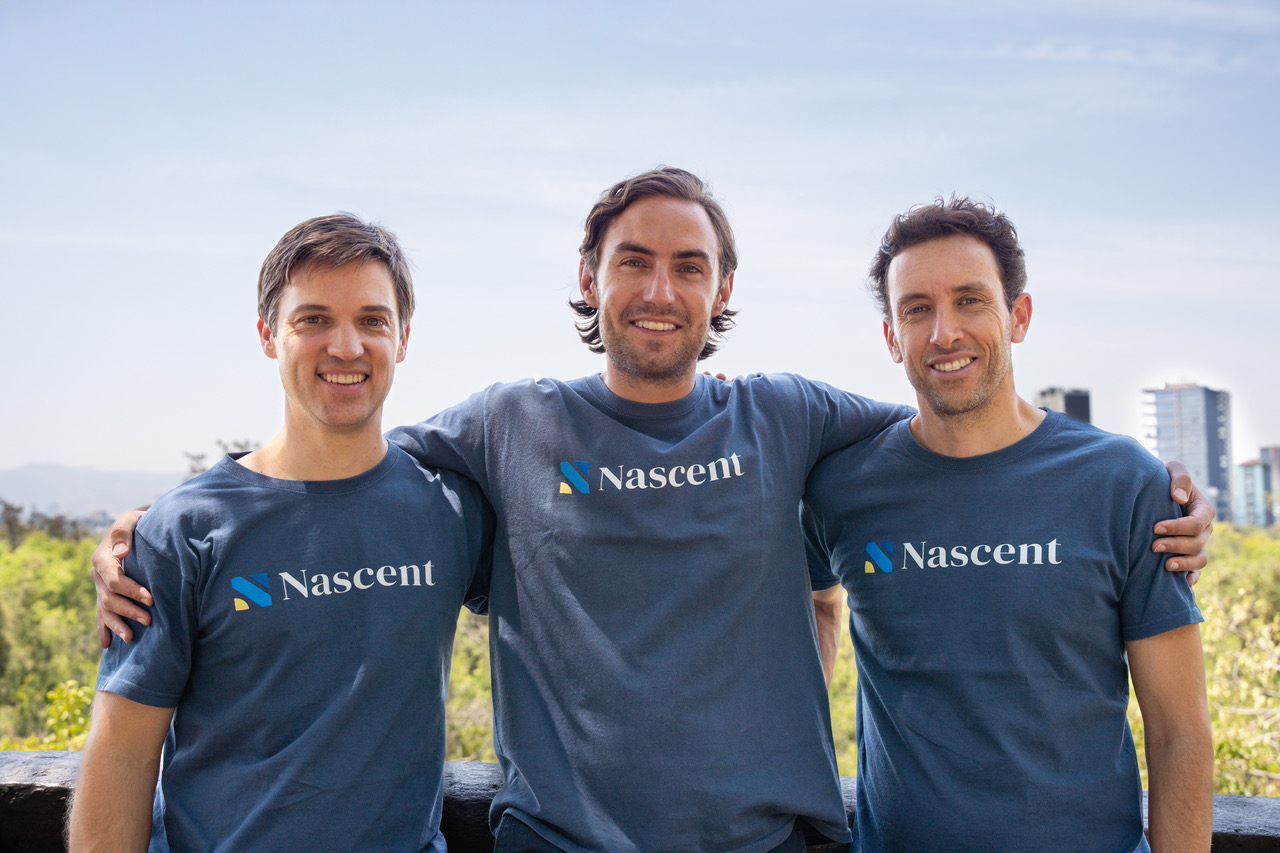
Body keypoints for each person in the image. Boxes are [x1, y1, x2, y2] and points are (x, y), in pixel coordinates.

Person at [92, 170, 1214, 853]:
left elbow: (963, 426)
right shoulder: (506, 425)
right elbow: (331, 456)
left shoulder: (791, 416)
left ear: (724, 290)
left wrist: (1145, 490)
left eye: (689, 264)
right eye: (632, 261)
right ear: (590, 278)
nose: (660, 289)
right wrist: (166, 521)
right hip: (558, 842)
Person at [69, 214, 493, 852]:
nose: (346, 347)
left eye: (372, 320)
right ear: (269, 334)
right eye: (313, 319)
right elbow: (122, 754)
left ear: (402, 338)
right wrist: (144, 533)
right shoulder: (182, 532)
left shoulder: (452, 512)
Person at [801, 197, 1213, 852]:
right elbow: (814, 601)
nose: (944, 332)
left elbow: (1179, 732)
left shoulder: (1124, 483)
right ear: (891, 337)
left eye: (970, 300)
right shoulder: (842, 488)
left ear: (1018, 316)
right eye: (917, 309)